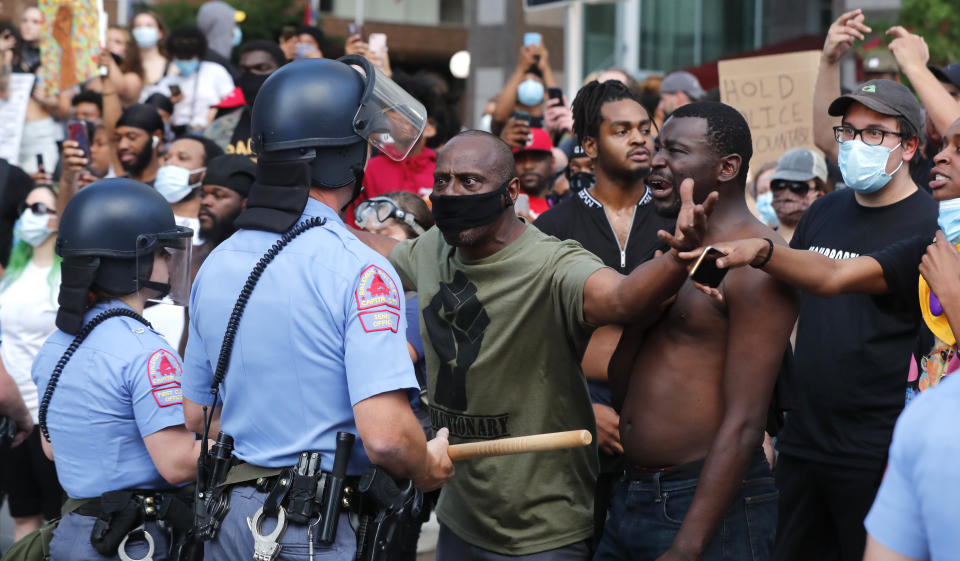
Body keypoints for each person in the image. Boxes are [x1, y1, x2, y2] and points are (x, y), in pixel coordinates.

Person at [353, 126, 716, 559]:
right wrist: (308, 215)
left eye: (470, 182)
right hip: (460, 517)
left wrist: (679, 260)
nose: (451, 194)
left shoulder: (552, 263)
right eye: (442, 181)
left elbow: (621, 298)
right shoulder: (432, 248)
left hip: (542, 531)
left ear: (510, 191)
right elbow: (375, 251)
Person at [181, 57, 454, 561]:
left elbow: (199, 413)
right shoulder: (360, 268)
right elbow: (389, 438)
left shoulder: (217, 261)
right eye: (366, 144)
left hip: (227, 521)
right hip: (309, 528)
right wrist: (428, 465)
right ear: (343, 156)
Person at [712, 76, 937, 561]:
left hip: (876, 445)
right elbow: (790, 303)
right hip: (803, 440)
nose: (857, 144)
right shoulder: (825, 210)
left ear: (910, 146)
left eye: (875, 133)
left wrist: (761, 249)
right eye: (849, 132)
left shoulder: (931, 225)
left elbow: (833, 275)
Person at [588, 102, 796, 561]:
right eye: (658, 147)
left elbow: (746, 422)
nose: (656, 159)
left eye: (676, 151)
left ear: (727, 167)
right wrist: (643, 317)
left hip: (704, 507)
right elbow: (623, 385)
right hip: (633, 494)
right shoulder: (668, 250)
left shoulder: (758, 263)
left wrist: (688, 545)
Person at [534, 78, 675, 549]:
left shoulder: (678, 219)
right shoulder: (551, 229)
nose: (639, 138)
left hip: (667, 425)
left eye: (644, 128)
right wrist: (583, 409)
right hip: (572, 431)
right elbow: (532, 339)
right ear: (589, 145)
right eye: (622, 130)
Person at [31, 178, 201, 561]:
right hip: (133, 542)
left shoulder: (56, 343)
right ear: (133, 258)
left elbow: (53, 447)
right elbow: (176, 464)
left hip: (73, 534)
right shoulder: (147, 351)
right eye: (162, 251)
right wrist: (239, 432)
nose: (171, 260)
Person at [0, 185, 63, 540]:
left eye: (39, 206)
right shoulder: (12, 272)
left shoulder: (67, 276)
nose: (28, 213)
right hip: (13, 417)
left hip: (50, 419)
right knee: (24, 519)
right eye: (25, 206)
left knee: (58, 523)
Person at [204, 40, 286, 156]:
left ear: (282, 71)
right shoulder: (219, 128)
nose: (252, 75)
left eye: (261, 68)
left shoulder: (303, 124)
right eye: (245, 70)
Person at [153, 26, 235, 133]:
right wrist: (170, 104)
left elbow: (233, 100)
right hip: (177, 134)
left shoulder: (215, 71)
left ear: (199, 54)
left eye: (189, 57)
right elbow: (156, 111)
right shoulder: (168, 81)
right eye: (180, 57)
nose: (185, 61)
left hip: (211, 132)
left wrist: (218, 110)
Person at [491, 42, 558, 134]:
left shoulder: (551, 121)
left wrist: (545, 68)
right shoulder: (512, 121)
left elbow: (559, 107)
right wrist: (521, 68)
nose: (530, 84)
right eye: (524, 81)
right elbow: (498, 117)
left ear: (544, 92)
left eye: (535, 80)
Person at [768, 148, 831, 243]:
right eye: (779, 185)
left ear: (820, 195)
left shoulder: (832, 244)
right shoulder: (759, 244)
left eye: (798, 187)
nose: (786, 193)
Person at [114, 103, 164, 185]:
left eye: (132, 137)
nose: (122, 145)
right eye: (118, 138)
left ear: (157, 136)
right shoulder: (117, 188)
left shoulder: (172, 189)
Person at [512, 127, 555, 218]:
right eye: (520, 159)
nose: (528, 166)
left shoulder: (563, 204)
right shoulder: (506, 206)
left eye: (536, 158)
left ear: (552, 162)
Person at [102, 25, 145, 106]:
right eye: (106, 40)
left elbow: (119, 89)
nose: (109, 44)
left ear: (129, 49)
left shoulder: (134, 77)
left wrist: (109, 60)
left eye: (117, 42)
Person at [131, 11, 173, 88]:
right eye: (138, 26)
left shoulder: (173, 68)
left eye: (149, 26)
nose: (143, 29)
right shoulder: (125, 66)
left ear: (160, 33)